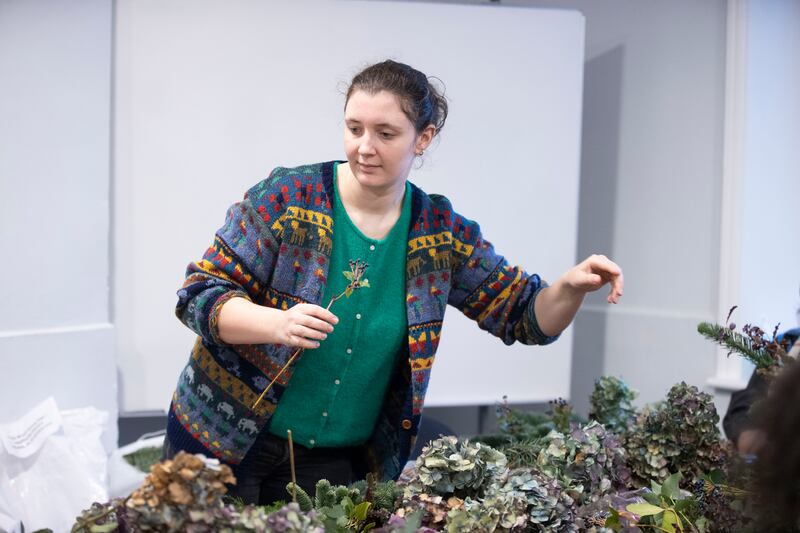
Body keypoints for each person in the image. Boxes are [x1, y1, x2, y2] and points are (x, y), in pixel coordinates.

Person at [162, 59, 624, 505]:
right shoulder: (286, 198)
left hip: (333, 464)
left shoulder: (441, 233)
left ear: (422, 138)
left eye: (386, 134)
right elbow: (200, 295)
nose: (365, 146)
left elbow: (524, 316)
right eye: (354, 128)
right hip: (221, 440)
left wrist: (569, 288)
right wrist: (275, 324)